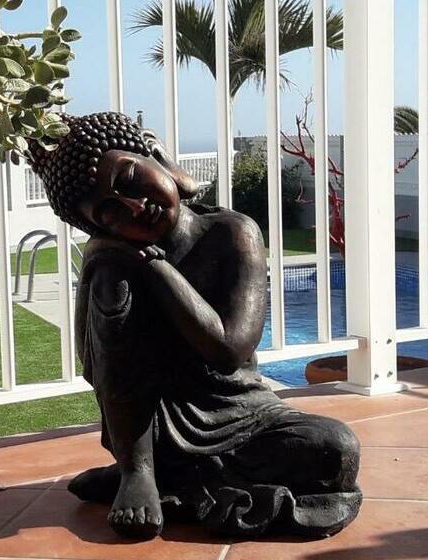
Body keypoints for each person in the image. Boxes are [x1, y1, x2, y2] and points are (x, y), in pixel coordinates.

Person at [26, 112, 362, 540]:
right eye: (110, 213)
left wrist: (157, 268)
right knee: (110, 282)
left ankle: (172, 478)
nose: (134, 206)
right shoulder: (115, 263)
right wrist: (108, 258)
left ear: (155, 154)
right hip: (149, 422)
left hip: (240, 412)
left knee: (336, 449)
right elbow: (99, 364)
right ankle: (137, 471)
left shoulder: (232, 232)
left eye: (130, 179)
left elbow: (229, 351)